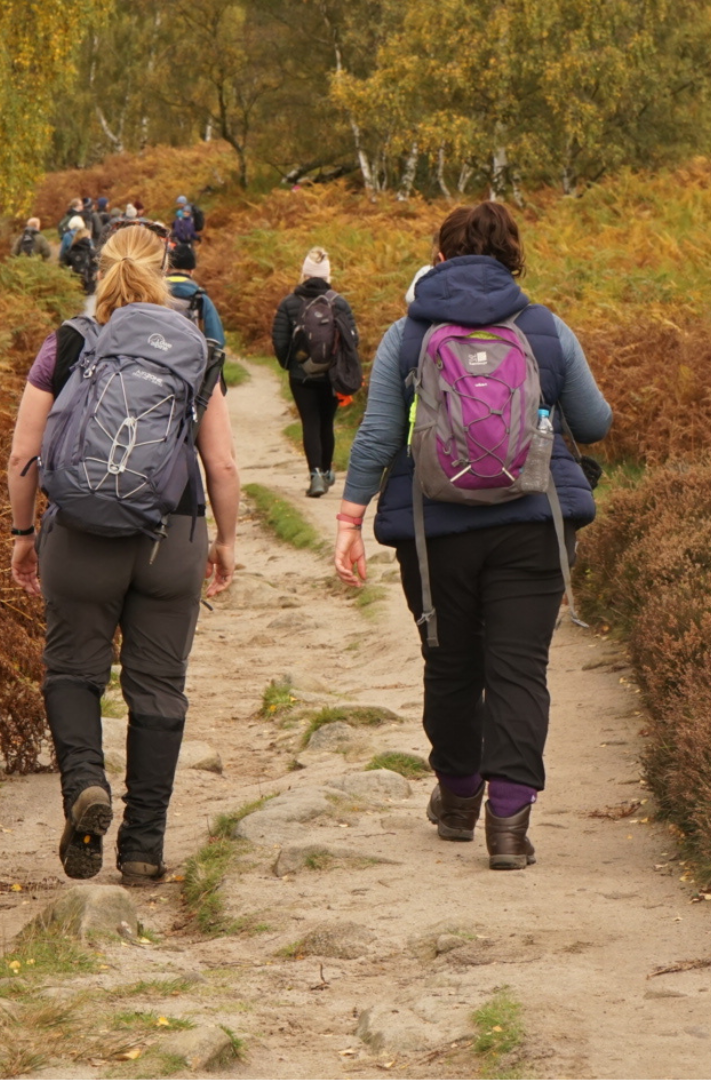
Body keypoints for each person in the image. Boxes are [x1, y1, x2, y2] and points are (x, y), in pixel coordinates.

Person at [334, 202, 612, 870]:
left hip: (435, 530)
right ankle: (508, 827)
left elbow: (376, 434)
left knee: (451, 662)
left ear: (441, 256)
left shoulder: (409, 335)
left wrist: (348, 519)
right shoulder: (546, 328)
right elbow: (594, 421)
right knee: (520, 670)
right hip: (533, 526)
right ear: (514, 256)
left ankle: (458, 796)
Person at [7, 223, 240, 884]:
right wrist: (225, 541)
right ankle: (142, 849)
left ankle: (87, 784)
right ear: (166, 269)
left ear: (100, 268)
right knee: (159, 688)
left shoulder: (71, 341)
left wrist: (23, 535)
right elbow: (220, 464)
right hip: (172, 536)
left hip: (80, 532)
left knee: (74, 670)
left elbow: (25, 454)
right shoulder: (197, 347)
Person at [271, 247, 358, 497]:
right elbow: (353, 338)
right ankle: (328, 471)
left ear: (304, 274)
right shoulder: (338, 302)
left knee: (310, 422)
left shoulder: (289, 303)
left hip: (302, 376)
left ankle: (316, 475)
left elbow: (280, 340)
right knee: (326, 423)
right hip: (332, 375)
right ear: (327, 275)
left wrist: (291, 364)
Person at [166, 242, 225, 349]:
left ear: (168, 269)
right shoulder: (201, 298)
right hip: (189, 359)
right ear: (191, 271)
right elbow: (217, 339)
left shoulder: (151, 294)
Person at [63, 227, 97, 294]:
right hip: (90, 287)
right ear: (87, 238)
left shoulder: (70, 252)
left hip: (74, 287)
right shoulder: (92, 252)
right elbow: (96, 268)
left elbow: (63, 267)